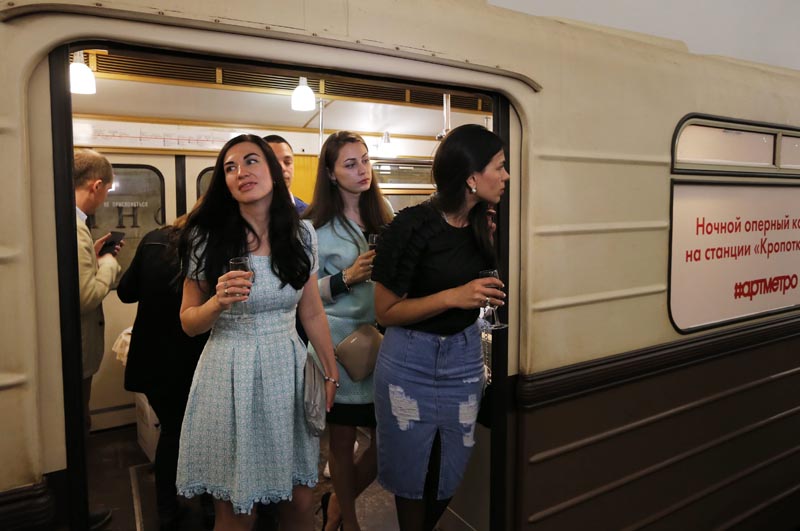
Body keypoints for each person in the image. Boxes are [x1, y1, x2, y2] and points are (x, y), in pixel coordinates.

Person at [175, 134, 339, 531]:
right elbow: (189, 322)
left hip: (288, 369)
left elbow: (312, 311)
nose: (240, 172)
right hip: (229, 373)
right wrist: (217, 302)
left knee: (300, 500)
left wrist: (330, 371)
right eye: (229, 167)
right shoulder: (206, 237)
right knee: (238, 512)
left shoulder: (302, 235)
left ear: (274, 171)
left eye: (251, 161)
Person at [371, 124, 509, 531]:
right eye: (499, 167)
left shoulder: (487, 224)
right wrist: (454, 296)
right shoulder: (412, 226)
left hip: (463, 357)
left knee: (450, 468)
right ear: (471, 177)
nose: (506, 177)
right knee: (411, 472)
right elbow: (385, 312)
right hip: (408, 359)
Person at [304, 131, 393, 531]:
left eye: (366, 160)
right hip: (338, 346)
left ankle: (338, 505)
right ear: (331, 173)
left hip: (383, 342)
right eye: (351, 164)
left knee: (388, 440)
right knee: (341, 444)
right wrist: (346, 277)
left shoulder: (384, 218)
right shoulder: (313, 228)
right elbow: (303, 296)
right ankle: (350, 523)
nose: (362, 170)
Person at [116, 203, 209, 531]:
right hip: (193, 358)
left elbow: (126, 292)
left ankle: (168, 509)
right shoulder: (215, 249)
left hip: (152, 358)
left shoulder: (154, 239)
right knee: (203, 434)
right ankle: (209, 506)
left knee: (172, 432)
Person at [73, 148, 123, 530]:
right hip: (78, 350)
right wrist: (107, 264)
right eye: (105, 191)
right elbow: (85, 296)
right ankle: (76, 507)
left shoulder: (75, 227)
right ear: (96, 185)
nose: (104, 198)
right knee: (79, 425)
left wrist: (94, 253)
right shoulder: (75, 227)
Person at [264, 134, 308, 214]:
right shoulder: (244, 213)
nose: (282, 168)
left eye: (287, 162)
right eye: (273, 162)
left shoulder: (309, 214)